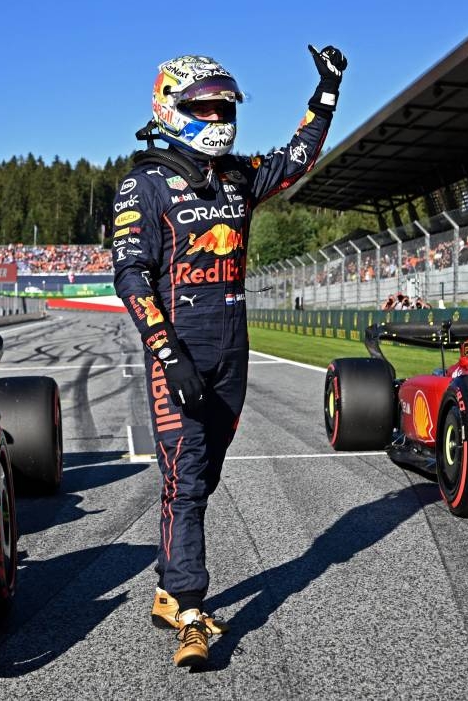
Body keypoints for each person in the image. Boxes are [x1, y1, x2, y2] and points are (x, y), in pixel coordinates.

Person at [112, 45, 346, 668]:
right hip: (179, 353)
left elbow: (297, 160)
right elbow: (131, 278)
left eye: (224, 105)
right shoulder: (145, 183)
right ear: (171, 108)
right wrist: (166, 351)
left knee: (202, 477)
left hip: (232, 354)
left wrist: (326, 93)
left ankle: (168, 586)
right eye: (205, 105)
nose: (218, 115)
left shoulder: (239, 175)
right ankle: (190, 608)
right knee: (185, 482)